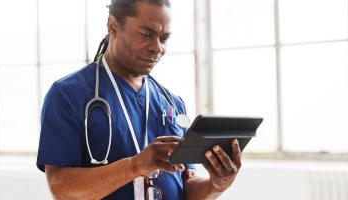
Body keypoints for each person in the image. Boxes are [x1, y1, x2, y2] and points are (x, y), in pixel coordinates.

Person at [36, 0, 241, 199]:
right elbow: (61, 189)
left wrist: (216, 184)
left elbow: (186, 187)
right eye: (146, 34)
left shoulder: (172, 104)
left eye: (164, 38)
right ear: (113, 25)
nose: (157, 48)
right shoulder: (68, 95)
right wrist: (134, 166)